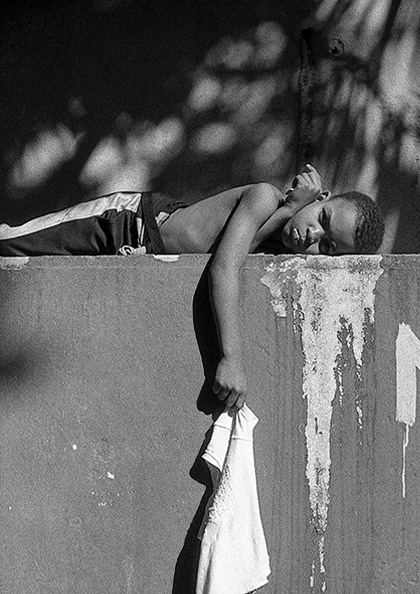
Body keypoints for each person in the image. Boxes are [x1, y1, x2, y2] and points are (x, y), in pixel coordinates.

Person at [0, 165, 384, 411]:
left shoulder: (277, 248)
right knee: (11, 244)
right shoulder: (265, 196)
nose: (313, 237)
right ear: (321, 198)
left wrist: (290, 212)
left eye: (328, 246)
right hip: (125, 222)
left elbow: (238, 247)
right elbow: (223, 267)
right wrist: (230, 357)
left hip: (136, 249)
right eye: (322, 218)